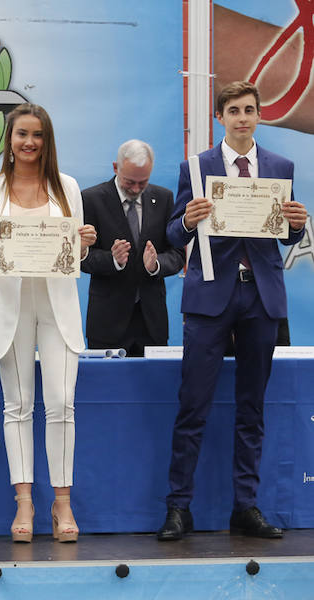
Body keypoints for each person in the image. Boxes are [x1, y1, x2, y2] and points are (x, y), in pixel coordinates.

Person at [158, 81, 308, 541]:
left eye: (250, 110)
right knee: (193, 405)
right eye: (234, 110)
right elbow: (173, 235)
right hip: (209, 299)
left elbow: (284, 233)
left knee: (252, 408)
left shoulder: (280, 166)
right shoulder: (196, 167)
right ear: (219, 116)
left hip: (261, 297)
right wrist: (187, 219)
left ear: (259, 116)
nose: (243, 117)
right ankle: (179, 507)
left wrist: (296, 228)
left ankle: (246, 506)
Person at [0, 104, 96, 543]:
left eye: (38, 135)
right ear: (8, 139)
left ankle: (62, 501)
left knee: (62, 403)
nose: (29, 142)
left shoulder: (68, 187)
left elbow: (76, 256)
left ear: (48, 141)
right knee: (18, 405)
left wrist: (84, 243)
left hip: (58, 306)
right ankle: (23, 500)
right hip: (12, 306)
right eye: (22, 134)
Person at [80, 140, 185, 355]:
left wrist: (155, 264)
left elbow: (177, 254)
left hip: (152, 322)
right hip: (107, 323)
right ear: (115, 168)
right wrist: (113, 260)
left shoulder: (163, 198)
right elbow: (82, 258)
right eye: (129, 182)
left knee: (152, 385)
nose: (136, 189)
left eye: (143, 182)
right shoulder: (91, 199)